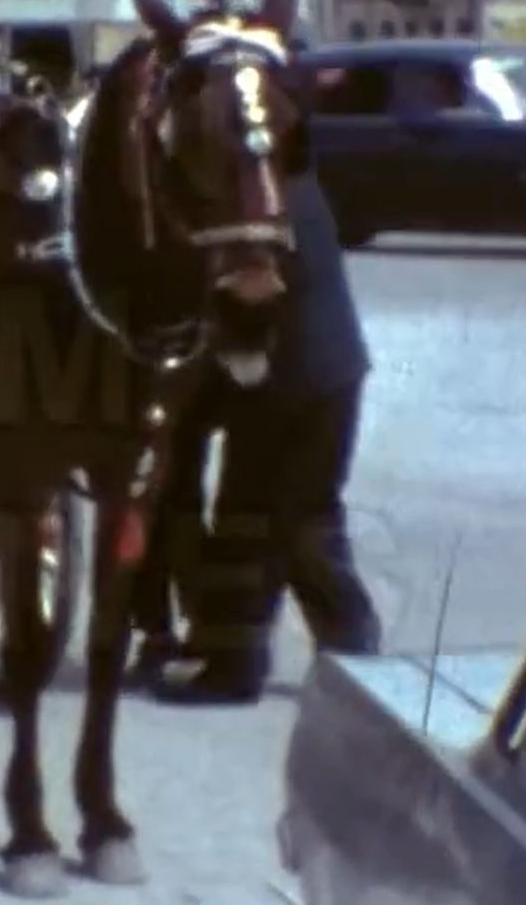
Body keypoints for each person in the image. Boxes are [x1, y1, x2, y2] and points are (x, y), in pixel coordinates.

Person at [141, 166, 383, 704]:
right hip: (329, 366)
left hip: (285, 371)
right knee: (306, 514)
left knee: (251, 517)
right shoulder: (274, 169)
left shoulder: (235, 187)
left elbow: (245, 292)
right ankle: (352, 650)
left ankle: (234, 662)